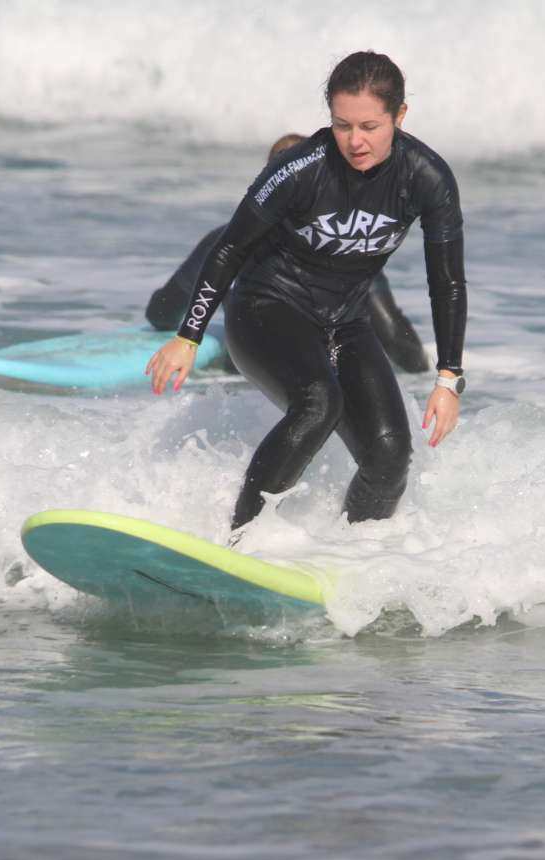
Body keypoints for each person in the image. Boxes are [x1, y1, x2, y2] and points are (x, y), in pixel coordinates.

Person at [146, 51, 467, 531]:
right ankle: (242, 539)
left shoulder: (427, 177)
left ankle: (349, 549)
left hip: (345, 320)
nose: (354, 141)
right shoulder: (299, 169)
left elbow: (447, 281)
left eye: (369, 126)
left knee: (390, 457)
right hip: (268, 307)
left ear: (399, 116)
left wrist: (447, 378)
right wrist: (188, 336)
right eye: (342, 125)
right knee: (319, 404)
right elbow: (229, 247)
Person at [145, 134, 430, 375]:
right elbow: (402, 347)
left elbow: (162, 311)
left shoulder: (226, 242)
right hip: (324, 378)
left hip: (249, 384)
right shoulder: (351, 245)